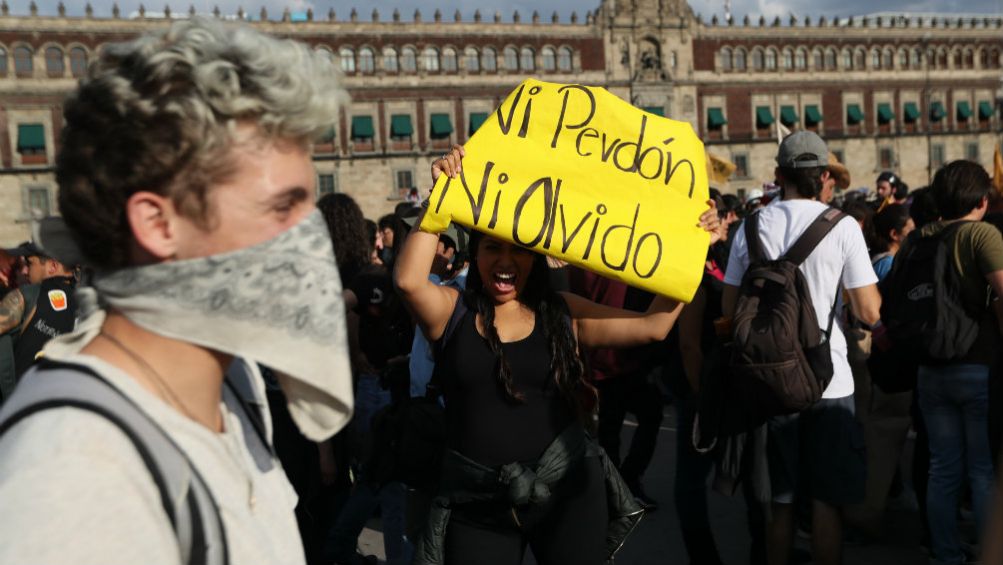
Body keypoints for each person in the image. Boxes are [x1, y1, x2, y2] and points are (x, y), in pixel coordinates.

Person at [0, 18, 353, 565]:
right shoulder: (72, 472)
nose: (310, 240)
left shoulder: (235, 381)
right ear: (159, 225)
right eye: (282, 208)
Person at [394, 145, 721, 565]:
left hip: (569, 493)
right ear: (475, 255)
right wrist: (440, 196)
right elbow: (406, 281)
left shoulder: (563, 311)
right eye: (493, 248)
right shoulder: (450, 312)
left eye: (521, 250)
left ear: (537, 257)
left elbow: (654, 325)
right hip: (477, 503)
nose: (507, 262)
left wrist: (695, 248)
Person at [722, 131, 882, 565]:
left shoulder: (750, 227)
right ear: (825, 176)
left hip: (770, 381)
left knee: (782, 501)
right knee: (827, 501)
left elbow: (729, 307)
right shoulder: (843, 226)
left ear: (778, 176)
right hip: (830, 382)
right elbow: (868, 310)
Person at [904, 160, 1003, 565]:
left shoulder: (918, 239)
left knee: (942, 468)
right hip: (978, 363)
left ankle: (944, 553)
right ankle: (989, 553)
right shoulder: (983, 234)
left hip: (930, 368)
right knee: (982, 471)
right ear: (982, 200)